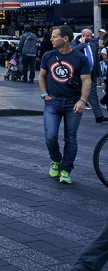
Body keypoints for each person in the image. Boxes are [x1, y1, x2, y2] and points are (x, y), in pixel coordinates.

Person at [40, 26, 91, 184]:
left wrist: (82, 100)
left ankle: (66, 170)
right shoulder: (48, 55)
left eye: (55, 37)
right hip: (52, 102)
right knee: (50, 137)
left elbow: (86, 80)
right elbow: (42, 76)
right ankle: (56, 160)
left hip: (73, 103)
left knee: (71, 138)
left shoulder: (79, 58)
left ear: (65, 38)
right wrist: (44, 95)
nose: (51, 39)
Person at [75, 29, 108, 123]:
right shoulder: (75, 43)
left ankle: (99, 116)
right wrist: (82, 44)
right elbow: (73, 52)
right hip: (78, 76)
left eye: (91, 36)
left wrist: (99, 76)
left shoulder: (93, 46)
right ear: (82, 35)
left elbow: (96, 62)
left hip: (90, 75)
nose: (90, 37)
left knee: (93, 95)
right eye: (87, 36)